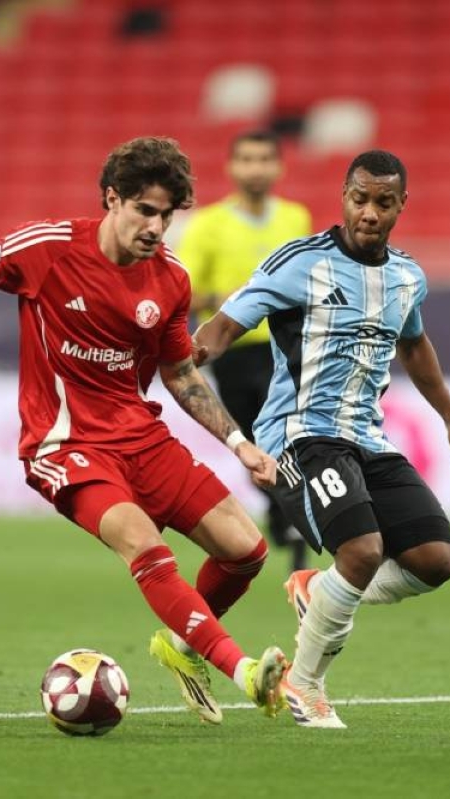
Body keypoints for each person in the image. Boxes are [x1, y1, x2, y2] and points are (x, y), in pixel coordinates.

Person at [0, 137, 288, 724]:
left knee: (246, 551)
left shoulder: (170, 280)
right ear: (111, 199)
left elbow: (181, 374)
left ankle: (184, 645)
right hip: (64, 444)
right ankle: (243, 671)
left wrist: (240, 444)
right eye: (145, 210)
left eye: (167, 215)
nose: (156, 227)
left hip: (141, 437)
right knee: (143, 543)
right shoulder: (46, 248)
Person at [193, 150, 450, 728]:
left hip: (366, 439)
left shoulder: (406, 276)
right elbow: (225, 325)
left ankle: (316, 591)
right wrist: (185, 360)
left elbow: (415, 345)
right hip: (298, 435)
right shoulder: (299, 262)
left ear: (402, 205)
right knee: (363, 550)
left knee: (435, 560)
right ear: (343, 196)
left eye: (383, 202)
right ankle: (304, 686)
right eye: (359, 199)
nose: (369, 213)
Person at [177, 130, 315, 574]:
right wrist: (234, 297)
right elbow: (185, 289)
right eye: (247, 159)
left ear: (278, 166)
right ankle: (284, 513)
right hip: (232, 349)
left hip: (284, 348)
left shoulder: (296, 218)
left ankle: (293, 520)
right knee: (254, 443)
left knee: (292, 440)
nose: (255, 167)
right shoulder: (207, 225)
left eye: (263, 159)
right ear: (232, 167)